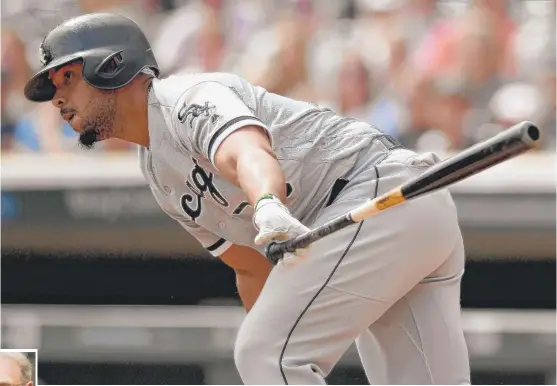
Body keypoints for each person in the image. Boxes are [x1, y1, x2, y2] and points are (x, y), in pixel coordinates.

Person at [24, 13, 470, 384]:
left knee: (265, 352)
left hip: (380, 193)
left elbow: (247, 152)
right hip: (397, 225)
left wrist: (268, 206)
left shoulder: (185, 98)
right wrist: (277, 331)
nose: (57, 97)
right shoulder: (159, 174)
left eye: (66, 76)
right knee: (270, 352)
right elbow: (249, 266)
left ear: (113, 64)